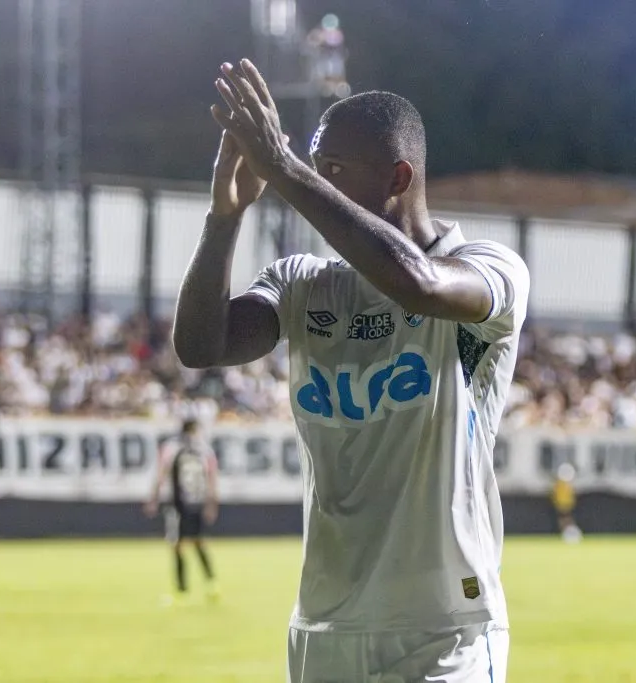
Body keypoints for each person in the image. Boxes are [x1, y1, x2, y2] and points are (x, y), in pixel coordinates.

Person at [173, 58, 529, 682]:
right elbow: (202, 345)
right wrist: (224, 219)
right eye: (314, 169)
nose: (318, 185)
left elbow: (417, 286)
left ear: (398, 176)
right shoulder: (304, 283)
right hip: (323, 628)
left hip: (444, 627)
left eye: (334, 171)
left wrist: (282, 169)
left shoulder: (488, 270)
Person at [144, 419, 220, 603]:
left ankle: (182, 588)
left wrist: (153, 498)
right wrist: (212, 504)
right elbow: (212, 479)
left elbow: (161, 473)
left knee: (177, 545)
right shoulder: (205, 450)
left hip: (178, 504)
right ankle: (211, 583)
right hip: (197, 503)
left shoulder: (172, 448)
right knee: (198, 542)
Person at [551, 463, 582, 543]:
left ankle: (572, 535)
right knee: (564, 521)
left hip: (565, 505)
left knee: (566, 520)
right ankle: (569, 534)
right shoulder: (561, 484)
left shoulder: (564, 484)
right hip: (562, 504)